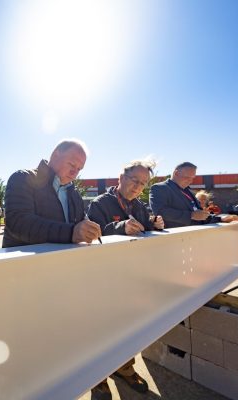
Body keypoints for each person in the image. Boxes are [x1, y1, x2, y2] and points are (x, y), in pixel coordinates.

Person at [86, 160, 164, 398]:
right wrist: (120, 227)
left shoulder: (140, 206)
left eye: (143, 184)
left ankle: (124, 368)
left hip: (131, 276)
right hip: (103, 278)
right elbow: (92, 233)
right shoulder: (99, 203)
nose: (138, 187)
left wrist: (154, 224)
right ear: (120, 177)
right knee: (100, 327)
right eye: (134, 180)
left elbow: (144, 229)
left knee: (128, 327)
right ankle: (97, 378)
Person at [2, 139, 101, 248]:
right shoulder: (23, 178)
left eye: (79, 169)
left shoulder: (75, 194)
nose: (74, 173)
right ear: (55, 154)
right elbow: (18, 223)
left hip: (64, 262)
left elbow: (81, 223)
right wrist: (71, 233)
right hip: (23, 263)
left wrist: (89, 231)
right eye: (72, 164)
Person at [149, 162, 238, 228]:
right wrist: (191, 215)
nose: (190, 181)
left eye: (192, 178)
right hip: (174, 239)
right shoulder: (159, 188)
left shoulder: (188, 191)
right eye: (187, 177)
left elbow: (200, 215)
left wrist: (222, 219)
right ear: (176, 173)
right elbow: (160, 212)